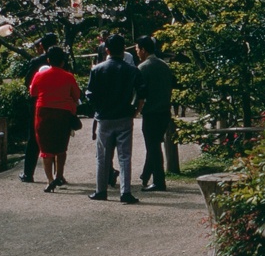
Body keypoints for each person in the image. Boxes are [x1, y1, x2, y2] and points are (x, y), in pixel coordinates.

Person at [85, 34, 145, 204]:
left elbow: (90, 94)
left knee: (102, 155)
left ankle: (101, 190)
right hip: (125, 115)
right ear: (124, 49)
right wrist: (136, 110)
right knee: (124, 155)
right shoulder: (132, 70)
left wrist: (98, 109)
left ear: (107, 50)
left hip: (104, 117)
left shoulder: (97, 69)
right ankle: (125, 192)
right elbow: (141, 92)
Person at [29, 46, 80, 192]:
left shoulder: (39, 75)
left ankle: (49, 179)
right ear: (63, 62)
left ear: (48, 60)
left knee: (45, 148)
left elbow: (33, 92)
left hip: (43, 112)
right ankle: (59, 175)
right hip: (63, 114)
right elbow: (76, 95)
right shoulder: (68, 76)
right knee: (61, 146)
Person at [135, 36, 176, 192]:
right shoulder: (164, 66)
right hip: (165, 111)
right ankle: (146, 175)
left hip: (151, 112)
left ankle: (159, 181)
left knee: (153, 147)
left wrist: (136, 109)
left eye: (138, 49)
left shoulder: (144, 67)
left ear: (144, 50)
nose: (137, 52)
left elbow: (140, 93)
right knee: (154, 144)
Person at [18, 33, 58, 183]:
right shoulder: (63, 59)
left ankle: (28, 173)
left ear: (42, 45)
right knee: (55, 138)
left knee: (33, 138)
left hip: (38, 102)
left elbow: (27, 82)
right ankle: (56, 174)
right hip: (58, 103)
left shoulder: (36, 61)